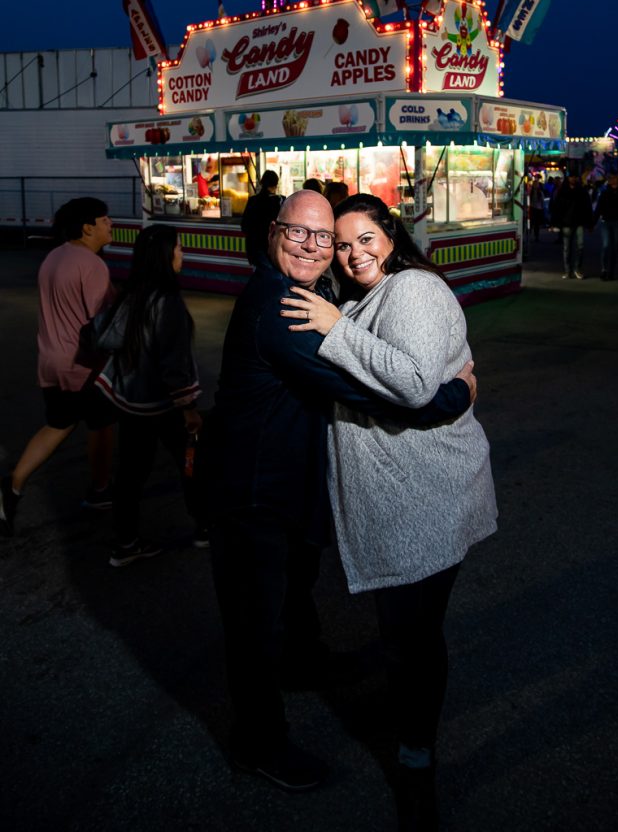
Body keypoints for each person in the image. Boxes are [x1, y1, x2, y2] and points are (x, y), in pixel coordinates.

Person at [199, 190, 474, 796]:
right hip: (250, 492)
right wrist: (456, 393)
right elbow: (366, 389)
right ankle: (258, 743)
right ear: (274, 232)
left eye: (331, 239)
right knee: (253, 625)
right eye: (305, 233)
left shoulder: (314, 294)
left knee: (288, 594)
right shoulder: (282, 309)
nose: (319, 247)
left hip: (283, 484)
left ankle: (304, 662)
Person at [280, 193, 497, 830]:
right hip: (398, 496)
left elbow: (410, 385)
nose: (353, 255)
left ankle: (416, 761)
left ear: (390, 235)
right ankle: (410, 725)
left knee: (413, 639)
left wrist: (333, 328)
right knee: (406, 634)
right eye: (343, 245)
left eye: (364, 239)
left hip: (425, 494)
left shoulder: (413, 290)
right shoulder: (359, 300)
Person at [1, 198, 116, 538]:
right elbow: (102, 321)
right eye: (104, 219)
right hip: (82, 364)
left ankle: (13, 485)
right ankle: (99, 490)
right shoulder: (91, 264)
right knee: (102, 423)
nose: (111, 223)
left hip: (49, 360)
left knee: (59, 423)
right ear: (88, 227)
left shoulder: (54, 256)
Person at [93, 225, 204, 566]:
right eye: (179, 249)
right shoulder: (167, 302)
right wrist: (189, 409)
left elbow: (104, 335)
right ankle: (205, 527)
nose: (182, 255)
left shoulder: (133, 294)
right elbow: (174, 363)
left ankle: (125, 542)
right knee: (192, 464)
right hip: (164, 403)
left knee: (130, 473)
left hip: (131, 400)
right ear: (165, 255)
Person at [550, 173, 593, 279]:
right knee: (568, 248)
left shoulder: (580, 190)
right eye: (572, 176)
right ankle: (569, 270)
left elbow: (587, 207)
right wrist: (555, 222)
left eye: (574, 176)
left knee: (579, 247)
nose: (573, 178)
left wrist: (589, 222)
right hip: (567, 222)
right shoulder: (564, 191)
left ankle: (575, 269)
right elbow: (557, 208)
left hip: (577, 222)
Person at [240, 169, 283, 264]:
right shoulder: (280, 201)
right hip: (273, 251)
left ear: (262, 183)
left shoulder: (253, 200)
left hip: (254, 250)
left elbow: (244, 226)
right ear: (276, 184)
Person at [593, 172, 618, 280]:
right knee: (606, 245)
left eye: (613, 178)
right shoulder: (605, 193)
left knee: (615, 247)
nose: (611, 180)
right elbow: (599, 208)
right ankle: (604, 269)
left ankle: (611, 270)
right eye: (610, 178)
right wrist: (593, 223)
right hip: (606, 221)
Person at [528, 174, 546, 242]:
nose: (535, 185)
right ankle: (530, 236)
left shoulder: (540, 192)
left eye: (537, 184)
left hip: (538, 209)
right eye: (535, 184)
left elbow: (542, 201)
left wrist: (542, 209)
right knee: (531, 223)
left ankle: (536, 236)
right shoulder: (531, 192)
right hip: (533, 208)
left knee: (536, 224)